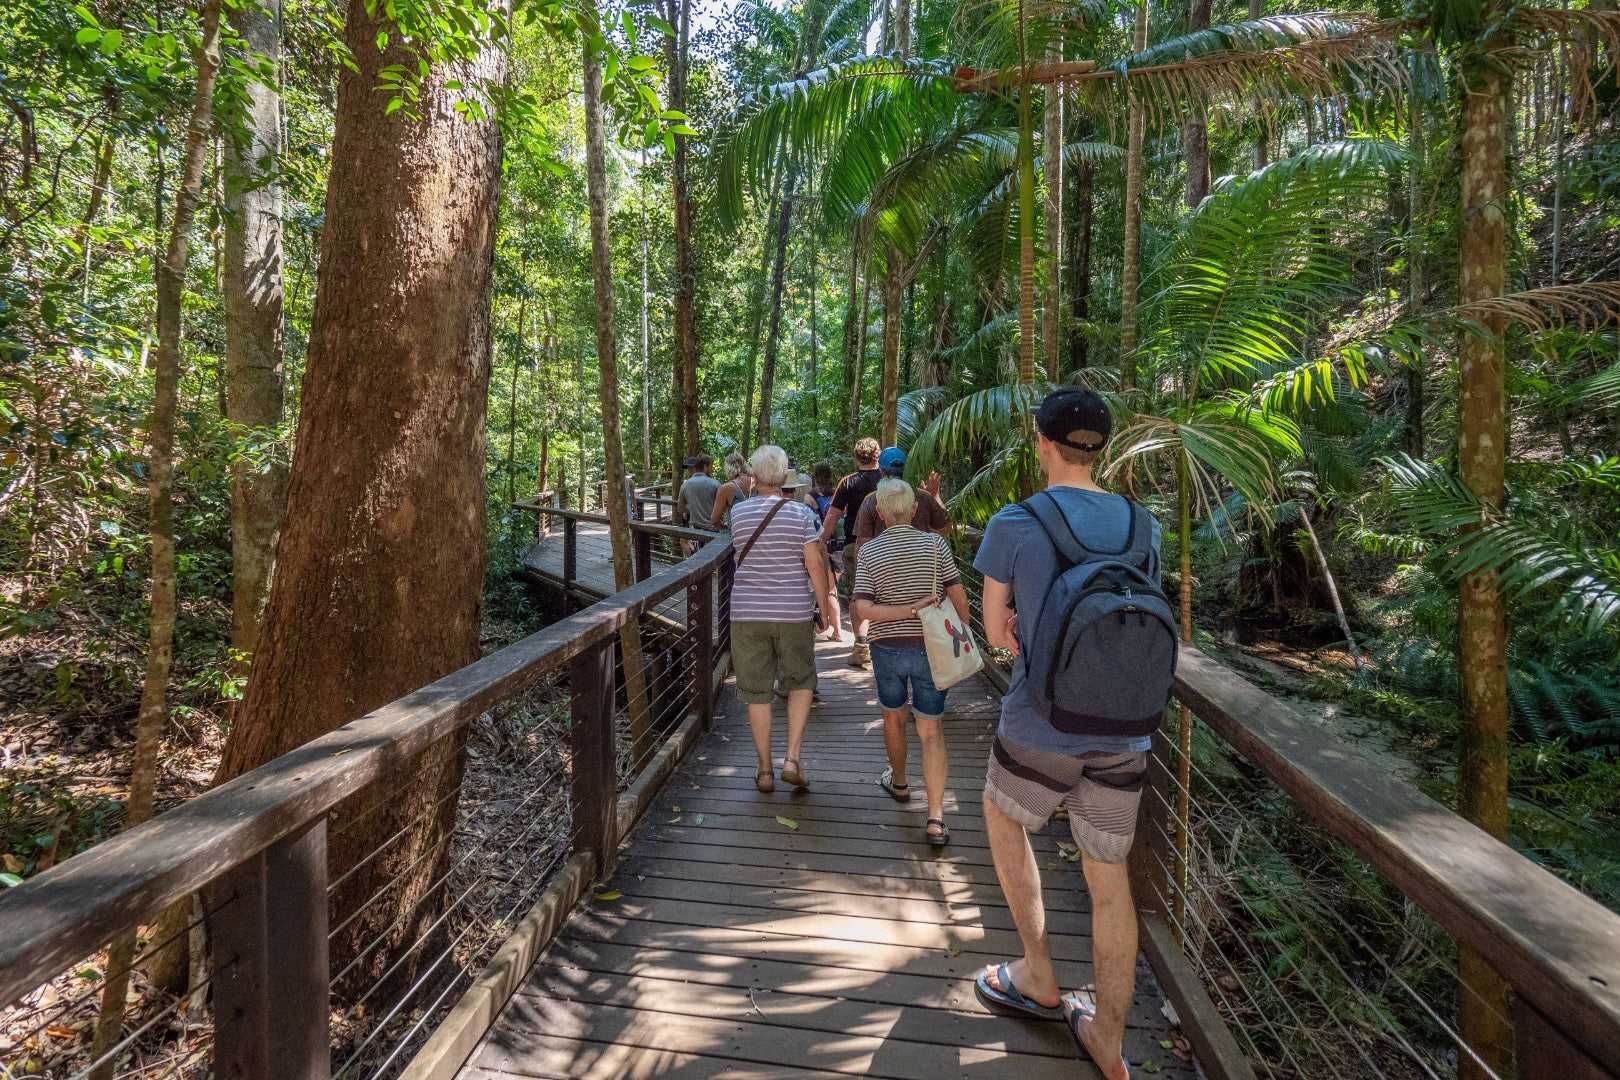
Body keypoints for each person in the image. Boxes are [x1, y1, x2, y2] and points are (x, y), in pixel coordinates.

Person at [970, 387, 1161, 1080]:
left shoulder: (1017, 521)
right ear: (1101, 447)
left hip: (1040, 721)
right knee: (1109, 881)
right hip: (1125, 728)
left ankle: (1038, 972)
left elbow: (995, 635)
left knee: (1002, 815)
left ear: (1041, 441)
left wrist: (1025, 633)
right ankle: (1109, 1042)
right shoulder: (1145, 525)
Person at [851, 479, 969, 848]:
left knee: (893, 716)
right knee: (931, 731)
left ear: (881, 513)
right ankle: (935, 818)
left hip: (886, 647)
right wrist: (963, 633)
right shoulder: (936, 545)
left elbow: (863, 608)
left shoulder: (869, 552)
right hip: (931, 648)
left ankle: (900, 783)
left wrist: (901, 611)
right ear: (915, 510)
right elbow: (957, 593)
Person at [727, 445, 833, 795]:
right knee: (801, 681)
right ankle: (791, 758)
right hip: (793, 611)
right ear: (785, 477)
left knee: (757, 692)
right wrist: (825, 608)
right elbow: (815, 564)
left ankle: (763, 770)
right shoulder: (801, 515)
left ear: (753, 477)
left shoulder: (739, 514)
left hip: (747, 613)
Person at [817, 437, 883, 667]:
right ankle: (883, 642)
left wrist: (822, 540)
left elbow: (833, 515)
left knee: (860, 593)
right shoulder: (888, 481)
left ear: (856, 457)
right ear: (878, 455)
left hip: (857, 546)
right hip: (887, 545)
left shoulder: (847, 482)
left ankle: (862, 646)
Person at [852, 446, 951, 545]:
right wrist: (935, 495)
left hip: (884, 559)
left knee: (848, 552)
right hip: (920, 557)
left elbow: (862, 542)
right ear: (906, 469)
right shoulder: (923, 496)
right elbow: (945, 529)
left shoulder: (871, 500)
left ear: (881, 471)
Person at [807, 463, 843, 641]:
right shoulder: (838, 492)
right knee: (833, 589)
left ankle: (836, 630)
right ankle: (829, 626)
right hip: (840, 544)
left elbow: (811, 523)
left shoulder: (811, 496)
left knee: (829, 590)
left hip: (822, 545)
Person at [708, 451, 754, 530]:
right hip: (759, 534)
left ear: (728, 468)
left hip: (737, 536)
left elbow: (714, 520)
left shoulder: (725, 488)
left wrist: (726, 528)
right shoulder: (758, 483)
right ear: (745, 466)